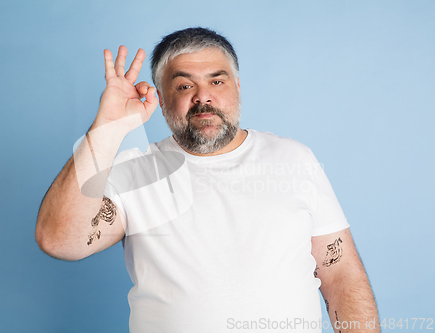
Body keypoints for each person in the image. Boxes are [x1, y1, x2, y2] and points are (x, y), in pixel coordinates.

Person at [36, 27, 380, 332]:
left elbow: (340, 276)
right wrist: (109, 126)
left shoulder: (294, 159)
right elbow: (59, 240)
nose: (203, 96)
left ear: (237, 86)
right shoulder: (135, 171)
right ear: (158, 96)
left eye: (217, 80)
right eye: (185, 85)